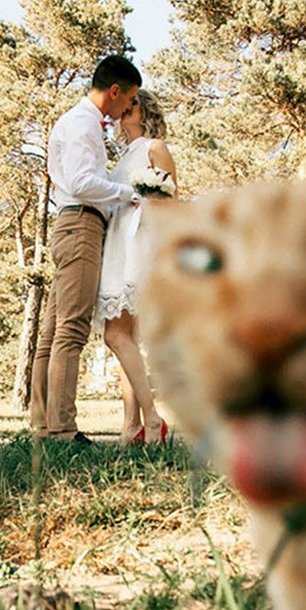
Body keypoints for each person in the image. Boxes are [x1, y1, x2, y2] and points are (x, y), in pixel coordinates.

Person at [30, 55, 142, 443]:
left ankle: (42, 425)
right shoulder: (81, 124)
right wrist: (129, 193)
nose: (128, 109)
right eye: (129, 100)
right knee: (71, 329)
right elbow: (80, 182)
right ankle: (62, 430)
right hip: (80, 224)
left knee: (53, 332)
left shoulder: (83, 123)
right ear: (115, 91)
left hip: (71, 223)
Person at [93, 90, 177, 445]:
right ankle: (131, 426)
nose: (126, 108)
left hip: (139, 245)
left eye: (135, 104)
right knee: (126, 337)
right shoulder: (122, 157)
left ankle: (153, 419)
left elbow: (170, 203)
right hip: (117, 243)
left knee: (115, 335)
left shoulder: (154, 147)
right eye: (124, 104)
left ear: (146, 111)